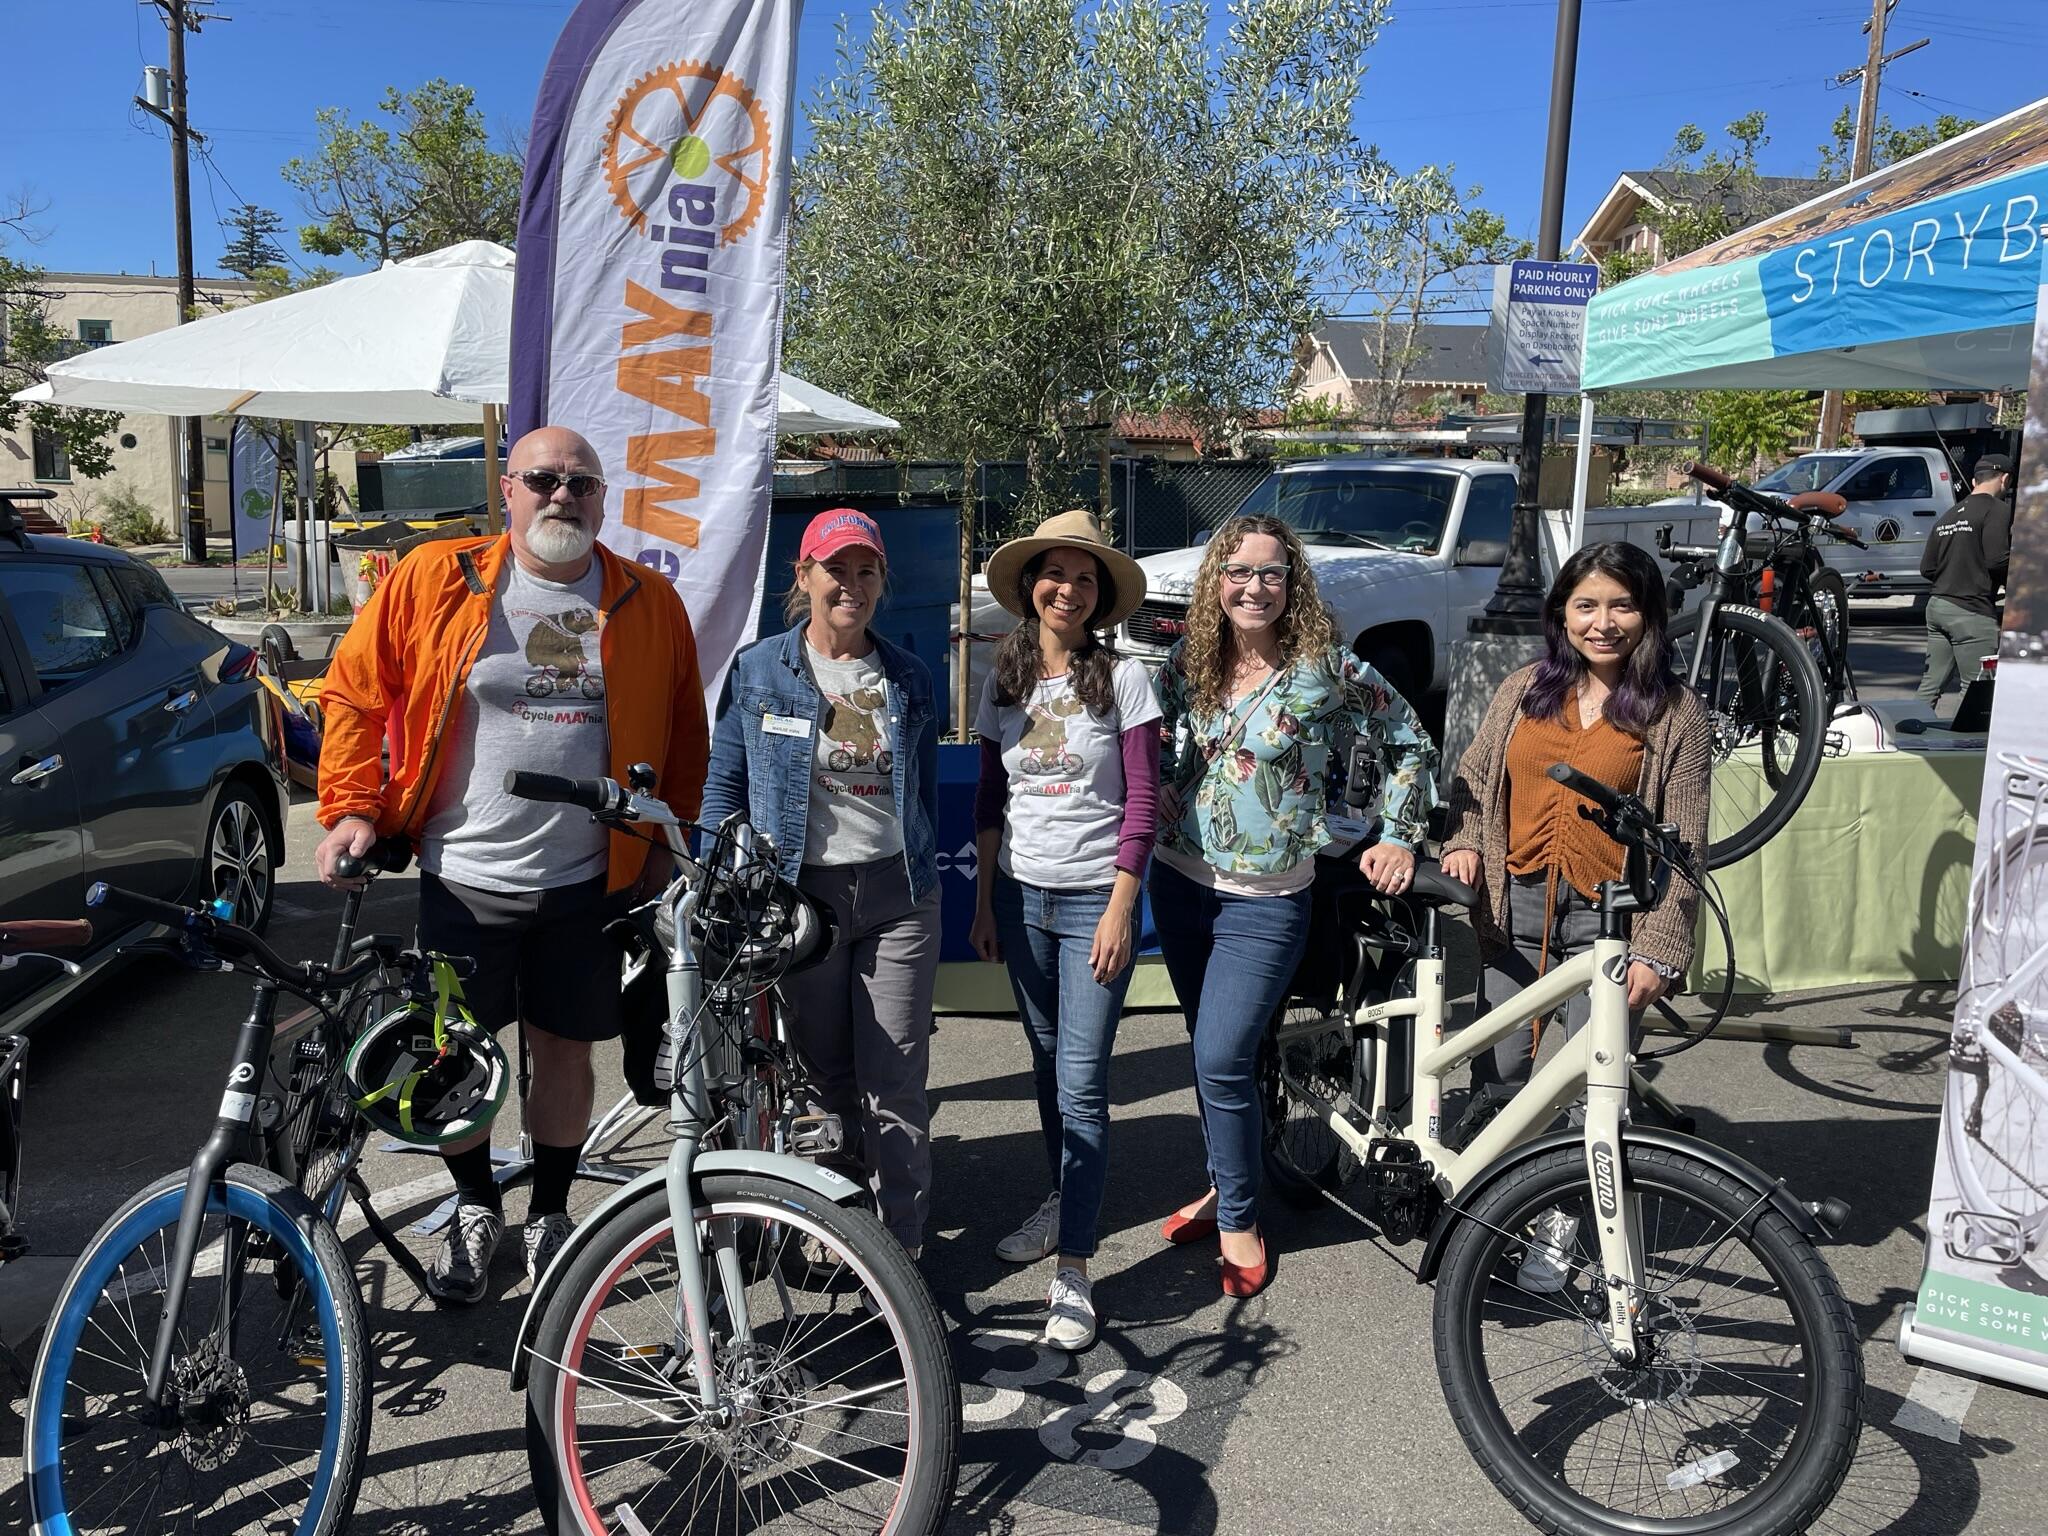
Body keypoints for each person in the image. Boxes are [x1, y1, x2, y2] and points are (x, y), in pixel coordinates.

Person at [315, 426, 708, 1303]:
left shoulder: (648, 601)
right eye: (544, 478)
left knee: (565, 1052)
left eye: (581, 482)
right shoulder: (433, 577)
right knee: (455, 1056)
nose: (562, 493)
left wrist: (660, 849)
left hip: (586, 885)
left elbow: (684, 735)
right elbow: (353, 689)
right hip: (462, 875)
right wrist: (349, 805)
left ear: (603, 501)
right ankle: (474, 1202)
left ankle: (553, 1214)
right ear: (508, 489)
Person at [1150, 514, 1436, 1298]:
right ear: (1216, 581)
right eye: (1237, 571)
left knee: (1220, 1058)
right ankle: (1224, 1183)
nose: (1253, 586)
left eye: (1270, 573)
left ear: (1292, 584)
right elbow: (1162, 756)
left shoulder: (1326, 670)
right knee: (1213, 1055)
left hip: (1264, 904)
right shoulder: (1187, 664)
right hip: (1178, 883)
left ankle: (1241, 1217)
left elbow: (1409, 740)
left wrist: (1401, 834)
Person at [1439, 541, 1709, 1289]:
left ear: (1649, 615)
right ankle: (1489, 1207)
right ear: (1562, 612)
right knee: (1500, 1072)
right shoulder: (1527, 688)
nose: (1604, 622)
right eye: (1587, 605)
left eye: (1622, 605)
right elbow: (1472, 772)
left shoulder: (1676, 713)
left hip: (1610, 924)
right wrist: (1463, 842)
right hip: (1512, 909)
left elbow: (1686, 843)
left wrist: (1659, 947)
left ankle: (1556, 1226)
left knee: (1586, 1088)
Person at [700, 508, 941, 1256]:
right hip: (801, 903)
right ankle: (846, 1235)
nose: (852, 585)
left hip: (897, 895)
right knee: (825, 1078)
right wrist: (716, 878)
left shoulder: (907, 674)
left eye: (866, 571)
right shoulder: (760, 669)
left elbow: (923, 793)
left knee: (893, 1078)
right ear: (803, 577)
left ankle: (901, 1251)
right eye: (836, 569)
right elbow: (725, 787)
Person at [967, 510, 1159, 1352]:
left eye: (1085, 580)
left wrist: (1122, 904)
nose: (1069, 591)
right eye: (1056, 575)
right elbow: (986, 801)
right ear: (1029, 587)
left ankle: (1074, 1270)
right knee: (1046, 1064)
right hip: (1020, 898)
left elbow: (1145, 803)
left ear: (1101, 596)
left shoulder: (1125, 679)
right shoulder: (1001, 676)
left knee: (1082, 1081)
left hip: (1091, 903)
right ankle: (1060, 1197)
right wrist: (982, 902)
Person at [1918, 453, 2014, 710]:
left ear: (1973, 481)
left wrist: (1955, 573)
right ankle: (1965, 744)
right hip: (1971, 611)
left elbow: (1927, 568)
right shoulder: (1997, 510)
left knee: (1931, 684)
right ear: (2005, 479)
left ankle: (1906, 735)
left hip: (1938, 605)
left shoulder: (1948, 515)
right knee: (1977, 688)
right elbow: (1997, 560)